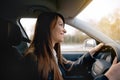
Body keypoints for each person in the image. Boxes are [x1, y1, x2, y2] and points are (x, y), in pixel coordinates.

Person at [24, 12, 120, 80]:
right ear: (48, 27)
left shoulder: (52, 53)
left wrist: (93, 51)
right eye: (61, 25)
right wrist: (108, 77)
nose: (64, 30)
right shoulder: (35, 59)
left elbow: (71, 67)